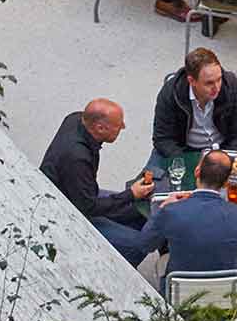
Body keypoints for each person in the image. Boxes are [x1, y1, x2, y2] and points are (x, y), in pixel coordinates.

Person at [39, 99, 156, 258]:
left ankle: (117, 246)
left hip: (79, 190)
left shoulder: (75, 119)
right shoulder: (77, 158)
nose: (123, 127)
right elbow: (87, 206)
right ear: (99, 128)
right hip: (68, 212)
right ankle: (118, 269)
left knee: (139, 211)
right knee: (139, 244)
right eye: (118, 125)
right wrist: (130, 194)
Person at [139, 151, 237, 282]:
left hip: (180, 293)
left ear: (197, 172)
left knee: (162, 262)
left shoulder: (171, 211)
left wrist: (162, 208)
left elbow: (145, 244)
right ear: (226, 183)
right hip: (226, 294)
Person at [147, 47, 237, 175]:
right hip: (186, 152)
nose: (216, 87)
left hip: (225, 149)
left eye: (219, 79)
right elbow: (163, 139)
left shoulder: (231, 86)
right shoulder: (171, 93)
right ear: (192, 81)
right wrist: (186, 162)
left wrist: (221, 159)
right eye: (209, 83)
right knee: (151, 186)